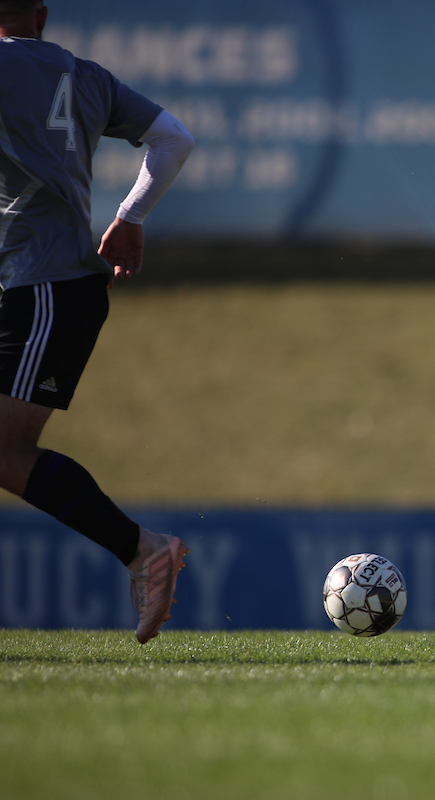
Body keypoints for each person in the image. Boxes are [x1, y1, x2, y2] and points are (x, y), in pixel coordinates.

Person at [0, 0, 194, 643]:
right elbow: (174, 139)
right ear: (43, 14)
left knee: (3, 448)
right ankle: (143, 550)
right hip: (41, 285)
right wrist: (131, 216)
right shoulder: (88, 77)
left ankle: (142, 550)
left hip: (44, 285)